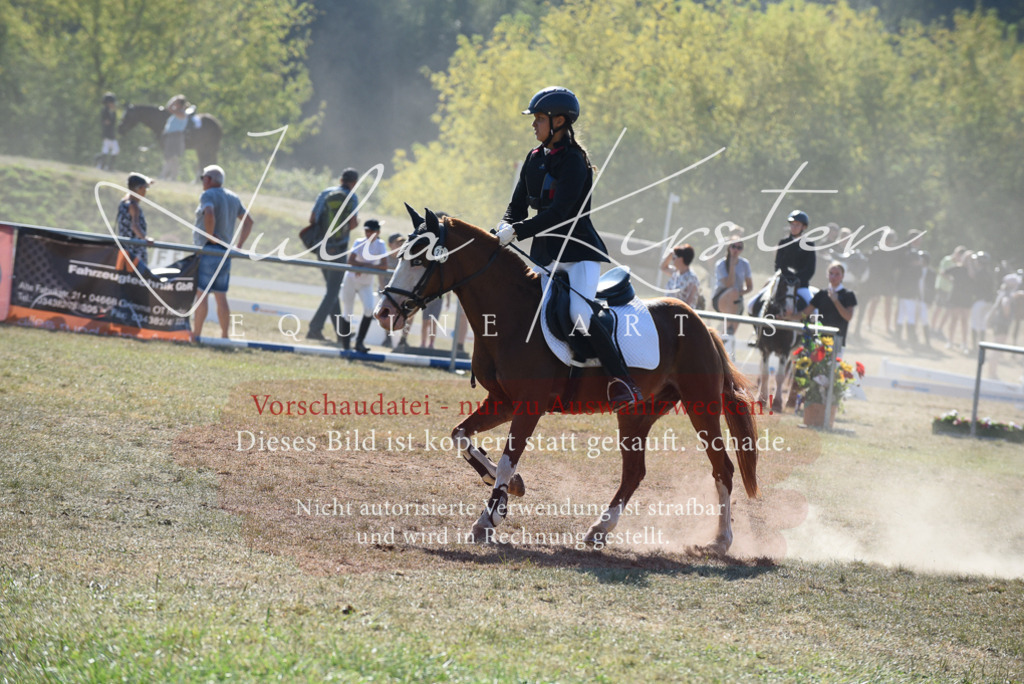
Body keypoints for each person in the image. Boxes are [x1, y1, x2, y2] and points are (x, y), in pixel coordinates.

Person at [494, 86, 641, 408]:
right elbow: (516, 206)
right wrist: (504, 225)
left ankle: (621, 381)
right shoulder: (534, 159)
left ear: (559, 121)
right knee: (527, 309)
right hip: (545, 255)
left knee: (579, 313)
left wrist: (517, 231)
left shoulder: (575, 161)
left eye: (539, 119)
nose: (534, 124)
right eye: (534, 119)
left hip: (577, 254)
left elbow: (560, 214)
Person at [191, 165, 253, 340]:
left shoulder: (208, 195)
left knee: (201, 295)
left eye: (203, 177)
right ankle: (225, 336)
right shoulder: (233, 197)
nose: (202, 181)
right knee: (221, 297)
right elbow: (248, 221)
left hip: (208, 251)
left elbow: (209, 213)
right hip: (225, 253)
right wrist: (239, 245)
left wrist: (210, 236)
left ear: (209, 179)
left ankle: (196, 335)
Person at [306, 168, 360, 342]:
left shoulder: (325, 193)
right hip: (339, 249)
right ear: (354, 183)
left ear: (341, 179)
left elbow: (312, 219)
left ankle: (341, 334)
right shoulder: (352, 197)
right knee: (333, 291)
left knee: (332, 290)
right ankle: (314, 328)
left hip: (321, 248)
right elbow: (352, 224)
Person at [342, 219, 388, 353]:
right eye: (366, 231)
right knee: (348, 311)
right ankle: (345, 344)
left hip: (366, 283)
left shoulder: (380, 245)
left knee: (369, 309)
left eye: (371, 231)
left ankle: (359, 342)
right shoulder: (359, 242)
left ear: (378, 232)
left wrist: (363, 267)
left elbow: (384, 265)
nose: (368, 233)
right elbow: (350, 260)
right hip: (351, 280)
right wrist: (367, 266)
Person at [800, 261, 857, 343]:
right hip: (820, 340)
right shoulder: (822, 293)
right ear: (827, 275)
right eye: (831, 273)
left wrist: (836, 301)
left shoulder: (848, 294)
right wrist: (789, 316)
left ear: (842, 276)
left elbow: (848, 317)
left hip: (837, 341)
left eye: (837, 274)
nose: (833, 276)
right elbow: (805, 313)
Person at [714, 237, 753, 336]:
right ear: (729, 247)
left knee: (729, 336)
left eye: (739, 247)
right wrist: (732, 265)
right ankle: (729, 324)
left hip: (737, 300)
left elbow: (750, 287)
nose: (736, 250)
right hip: (720, 298)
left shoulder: (745, 264)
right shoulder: (721, 264)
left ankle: (726, 329)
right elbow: (729, 285)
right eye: (733, 246)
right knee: (733, 291)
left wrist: (739, 294)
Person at [116, 172, 155, 270]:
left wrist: (147, 182)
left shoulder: (124, 201)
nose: (145, 191)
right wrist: (145, 239)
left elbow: (132, 190)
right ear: (140, 188)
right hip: (135, 251)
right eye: (145, 188)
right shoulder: (134, 206)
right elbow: (135, 226)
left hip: (124, 249)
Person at [659, 243, 701, 308]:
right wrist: (671, 253)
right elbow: (663, 267)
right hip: (668, 310)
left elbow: (689, 303)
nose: (672, 259)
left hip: (680, 312)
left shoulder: (692, 278)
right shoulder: (675, 272)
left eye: (674, 258)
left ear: (681, 259)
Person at [161, 95, 189, 180]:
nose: (174, 105)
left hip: (175, 137)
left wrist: (173, 99)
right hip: (172, 136)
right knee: (171, 157)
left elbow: (168, 108)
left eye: (176, 103)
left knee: (172, 157)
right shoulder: (179, 113)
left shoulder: (181, 113)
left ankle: (166, 175)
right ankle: (171, 176)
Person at [97, 93, 119, 171]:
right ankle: (105, 166)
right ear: (108, 103)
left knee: (108, 150)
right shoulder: (105, 111)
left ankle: (105, 165)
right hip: (107, 134)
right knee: (110, 149)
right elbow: (107, 122)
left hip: (110, 134)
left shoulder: (111, 111)